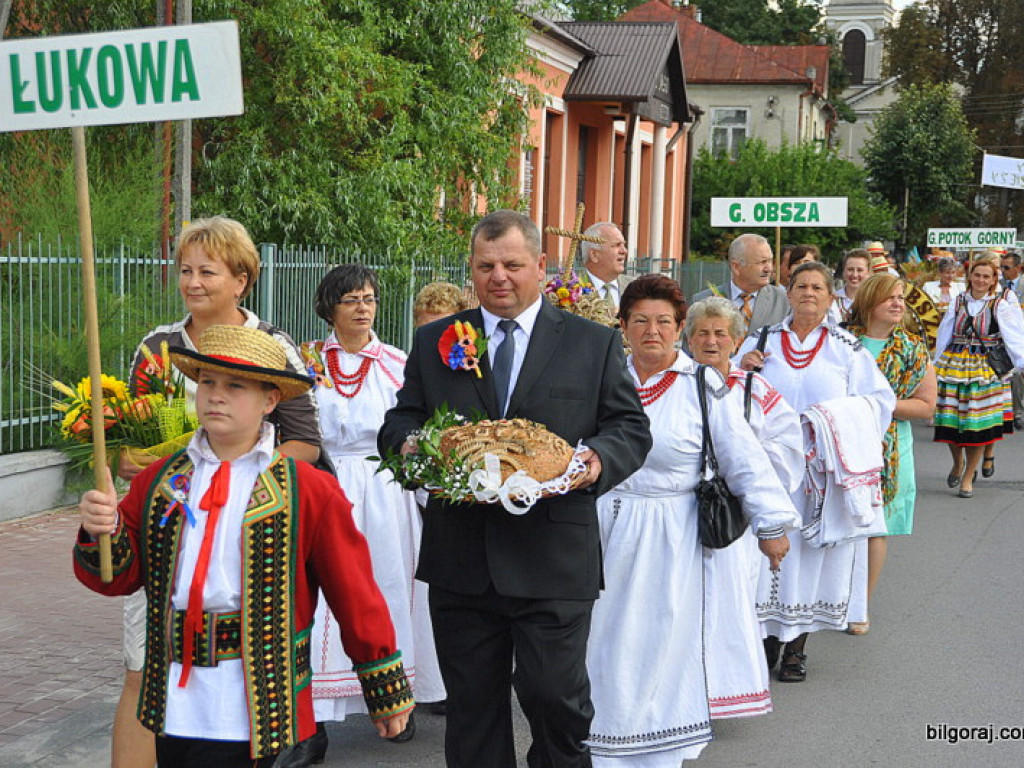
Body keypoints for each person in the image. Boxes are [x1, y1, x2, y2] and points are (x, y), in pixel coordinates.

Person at [378, 209, 651, 768]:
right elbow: (400, 422)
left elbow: (629, 429)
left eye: (511, 264)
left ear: (541, 266)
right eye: (485, 266)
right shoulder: (435, 342)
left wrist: (593, 462)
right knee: (474, 713)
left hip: (554, 558)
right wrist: (413, 447)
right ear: (472, 271)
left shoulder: (591, 342)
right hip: (462, 561)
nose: (498, 276)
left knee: (556, 700)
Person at [73, 325, 413, 767]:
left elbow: (355, 593)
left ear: (270, 401)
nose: (216, 395)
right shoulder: (161, 481)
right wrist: (103, 529)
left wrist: (383, 685)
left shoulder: (307, 490)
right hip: (175, 695)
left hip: (258, 698)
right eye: (208, 383)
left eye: (235, 385)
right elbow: (117, 577)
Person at [115, 216, 326, 768]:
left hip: (245, 538)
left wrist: (241, 478)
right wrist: (135, 461)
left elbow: (306, 444)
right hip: (167, 538)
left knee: (249, 671)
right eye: (185, 270)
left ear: (241, 279)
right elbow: (121, 446)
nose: (193, 282)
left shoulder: (272, 345)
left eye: (207, 271)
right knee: (142, 667)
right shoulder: (157, 347)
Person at [585, 278, 796, 765]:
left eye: (663, 322)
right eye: (640, 320)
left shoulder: (703, 384)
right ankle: (606, 741)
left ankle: (659, 749)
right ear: (623, 327)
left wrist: (771, 525)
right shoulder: (605, 379)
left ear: (680, 329)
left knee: (664, 640)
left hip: (673, 534)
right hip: (607, 526)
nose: (651, 331)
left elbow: (741, 456)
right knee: (605, 636)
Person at [301, 265, 443, 761]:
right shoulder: (307, 362)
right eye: (351, 300)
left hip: (383, 491)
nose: (363, 308)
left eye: (369, 299)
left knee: (385, 587)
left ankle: (394, 698)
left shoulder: (397, 363)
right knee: (320, 599)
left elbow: (416, 426)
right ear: (330, 309)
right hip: (323, 485)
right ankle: (312, 714)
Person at [738, 261, 895, 683]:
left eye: (817, 287)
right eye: (801, 286)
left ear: (831, 297)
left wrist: (829, 423)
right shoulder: (761, 340)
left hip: (822, 474)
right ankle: (767, 637)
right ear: (788, 294)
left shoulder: (847, 348)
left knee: (812, 558)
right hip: (770, 471)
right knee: (766, 553)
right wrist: (743, 369)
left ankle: (797, 647)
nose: (808, 293)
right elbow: (726, 388)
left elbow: (880, 402)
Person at [685, 296, 803, 718]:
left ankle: (721, 692)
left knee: (727, 602)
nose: (711, 341)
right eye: (702, 332)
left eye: (721, 333)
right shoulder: (678, 381)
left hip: (734, 517)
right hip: (684, 512)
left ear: (736, 341)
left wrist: (747, 462)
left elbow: (789, 442)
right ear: (689, 338)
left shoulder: (755, 388)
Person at [844, 275, 936, 634]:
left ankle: (860, 606)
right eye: (890, 298)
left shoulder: (913, 347)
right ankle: (829, 598)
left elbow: (926, 406)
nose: (899, 304)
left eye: (901, 298)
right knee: (838, 522)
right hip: (842, 441)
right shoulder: (841, 341)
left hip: (891, 447)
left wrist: (876, 406)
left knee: (874, 527)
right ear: (869, 302)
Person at [933, 252, 1024, 497]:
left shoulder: (1000, 304)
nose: (981, 280)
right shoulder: (958, 301)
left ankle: (967, 476)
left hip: (984, 369)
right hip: (954, 365)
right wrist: (932, 365)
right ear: (969, 277)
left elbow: (1013, 336)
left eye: (986, 276)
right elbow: (945, 332)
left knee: (976, 425)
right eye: (977, 275)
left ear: (994, 279)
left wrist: (1021, 362)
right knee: (949, 420)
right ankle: (957, 462)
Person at [691, 233, 788, 334]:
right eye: (762, 262)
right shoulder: (702, 301)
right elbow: (690, 347)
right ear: (736, 267)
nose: (768, 269)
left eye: (770, 261)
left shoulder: (784, 301)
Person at [581, 221, 631, 311]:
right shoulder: (570, 290)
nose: (624, 251)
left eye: (624, 245)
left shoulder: (634, 287)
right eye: (617, 245)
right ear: (594, 255)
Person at [999, 251, 1024, 429]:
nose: (1002, 271)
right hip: (1005, 337)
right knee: (1014, 373)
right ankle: (1017, 413)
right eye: (1001, 267)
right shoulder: (998, 286)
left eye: (1006, 268)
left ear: (1018, 268)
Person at [833, 249, 871, 321]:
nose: (854, 275)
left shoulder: (875, 301)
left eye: (860, 270)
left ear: (868, 272)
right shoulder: (832, 300)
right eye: (850, 269)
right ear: (844, 271)